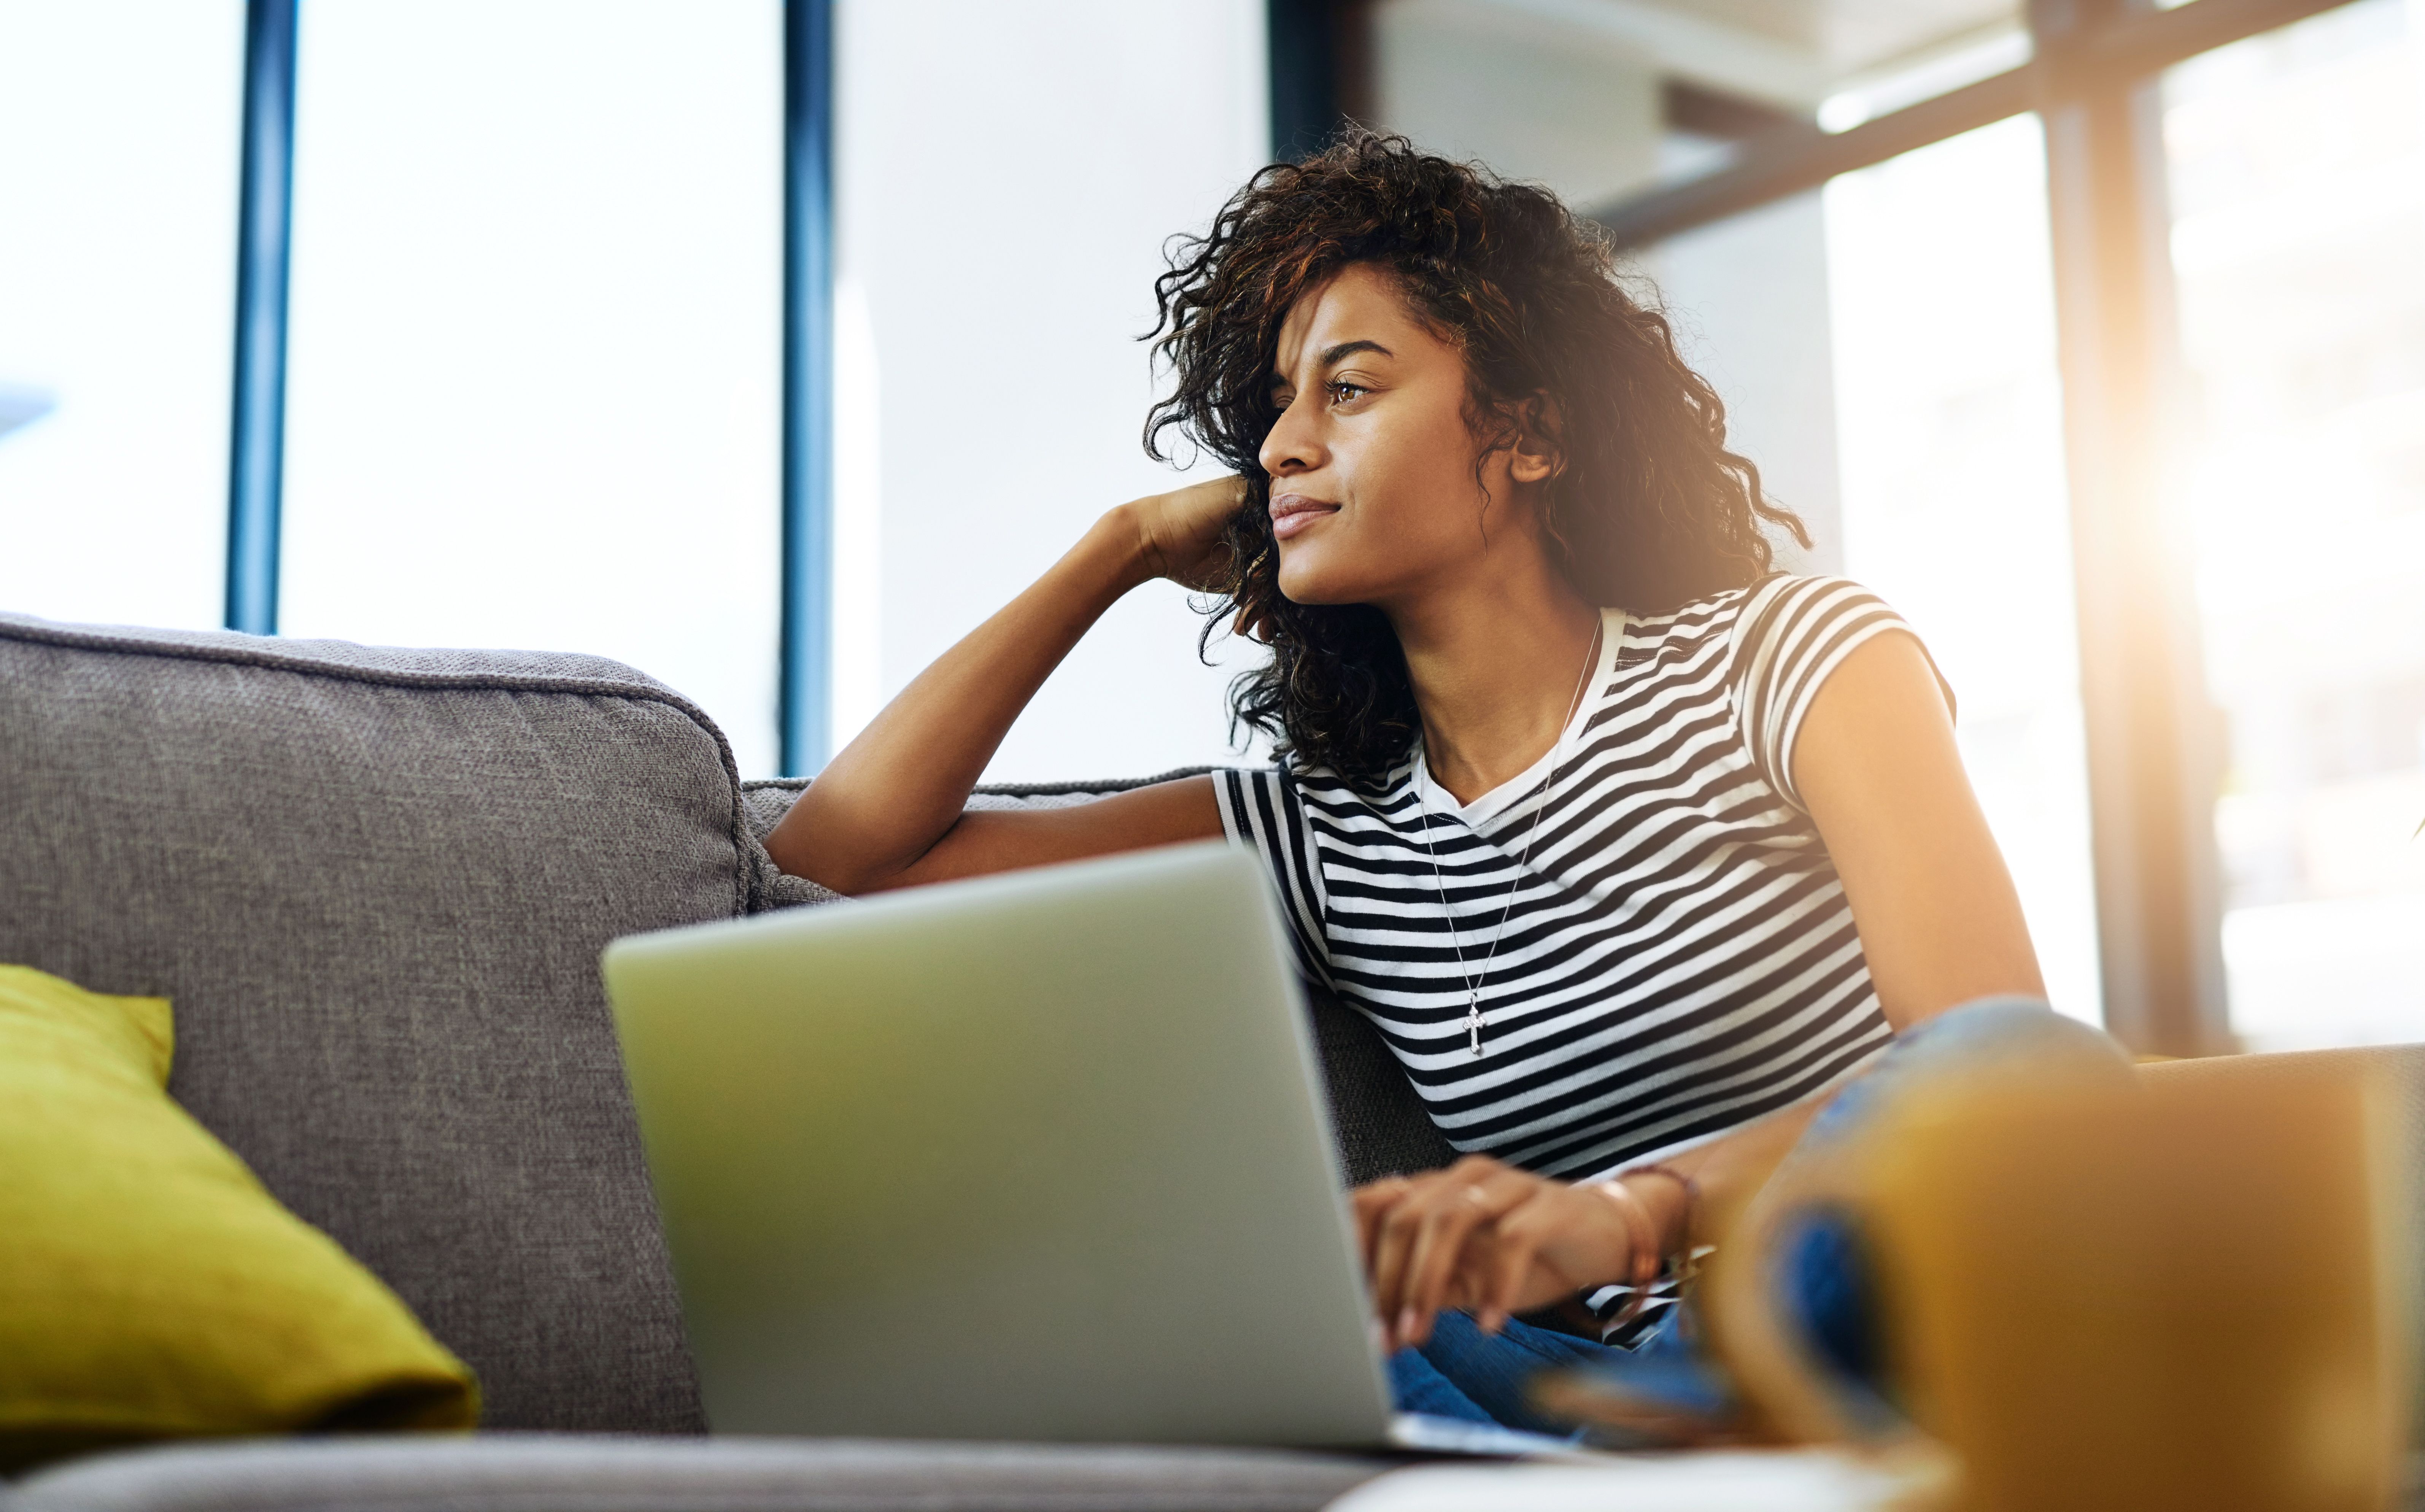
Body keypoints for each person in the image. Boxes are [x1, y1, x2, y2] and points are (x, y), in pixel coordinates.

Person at [764, 131, 2048, 1430]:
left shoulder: (1790, 658)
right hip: (1576, 1391)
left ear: (1531, 434)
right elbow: (830, 865)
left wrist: (1617, 1216)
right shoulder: (1317, 836)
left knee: (2010, 1063)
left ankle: (1664, 1448)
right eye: (1275, 405)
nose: (1281, 446)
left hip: (1871, 1300)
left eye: (1352, 390)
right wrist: (1122, 548)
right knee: (1255, 1283)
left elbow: (1989, 1061)